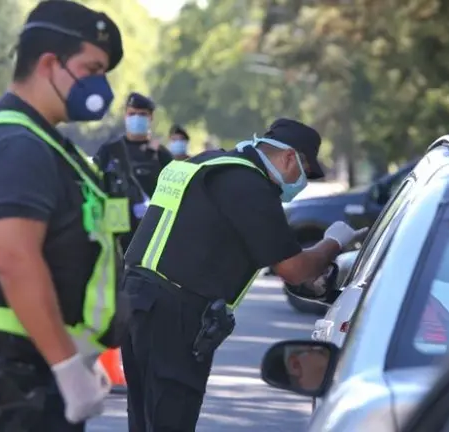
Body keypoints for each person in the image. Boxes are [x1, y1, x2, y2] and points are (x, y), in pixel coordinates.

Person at [0, 2, 131, 431]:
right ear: (49, 64)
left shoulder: (44, 145)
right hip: (2, 381)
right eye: (92, 69)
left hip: (20, 372)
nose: (100, 85)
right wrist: (67, 365)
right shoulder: (18, 146)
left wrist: (72, 355)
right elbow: (16, 260)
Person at [120, 118, 366, 431]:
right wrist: (334, 242)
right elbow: (294, 269)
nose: (302, 182)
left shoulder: (206, 163)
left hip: (137, 300)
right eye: (305, 172)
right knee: (171, 419)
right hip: (174, 314)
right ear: (289, 157)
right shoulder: (249, 184)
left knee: (144, 419)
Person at [95, 92, 173, 199]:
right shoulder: (109, 150)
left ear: (151, 117)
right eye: (132, 114)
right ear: (125, 116)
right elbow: (94, 183)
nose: (136, 118)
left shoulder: (161, 154)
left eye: (142, 114)